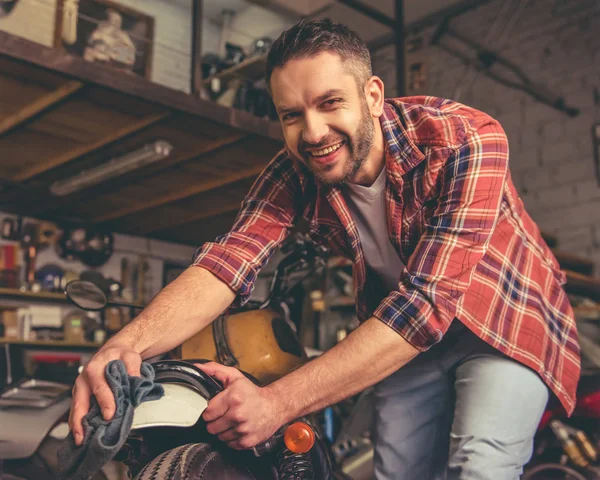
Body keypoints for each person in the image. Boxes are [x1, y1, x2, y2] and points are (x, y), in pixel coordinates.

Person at [69, 19, 581, 479]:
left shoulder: (465, 138)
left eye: (330, 103)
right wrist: (125, 346)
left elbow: (425, 305)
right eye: (291, 115)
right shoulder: (293, 173)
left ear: (373, 96)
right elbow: (227, 262)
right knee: (396, 469)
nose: (312, 132)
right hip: (408, 336)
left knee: (481, 464)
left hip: (507, 319)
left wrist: (277, 403)